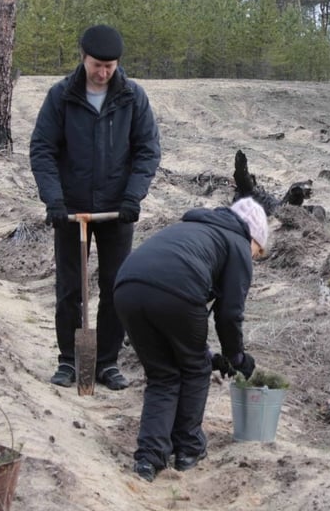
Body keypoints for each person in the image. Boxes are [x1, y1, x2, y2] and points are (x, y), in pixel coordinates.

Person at [30, 24, 161, 390]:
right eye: (97, 64)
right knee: (70, 289)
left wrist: (133, 196)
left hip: (116, 211)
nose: (103, 72)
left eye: (110, 66)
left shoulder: (133, 97)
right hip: (70, 210)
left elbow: (148, 149)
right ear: (83, 57)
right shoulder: (61, 96)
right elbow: (42, 149)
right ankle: (70, 360)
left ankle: (106, 362)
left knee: (116, 286)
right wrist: (54, 199)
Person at [113, 198, 268, 482]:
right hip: (175, 292)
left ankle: (149, 459)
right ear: (253, 236)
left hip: (126, 288)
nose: (254, 258)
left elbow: (183, 325)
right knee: (195, 370)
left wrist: (213, 356)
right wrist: (237, 359)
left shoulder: (194, 229)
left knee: (163, 375)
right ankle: (188, 449)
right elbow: (229, 315)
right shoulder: (238, 244)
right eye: (257, 252)